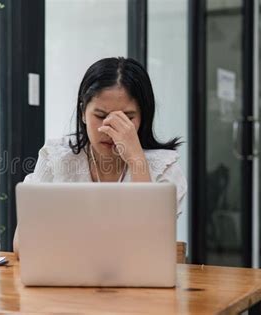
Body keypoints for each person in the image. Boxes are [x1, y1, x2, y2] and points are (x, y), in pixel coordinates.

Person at [13, 57, 187, 257]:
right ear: (82, 113)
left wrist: (136, 160)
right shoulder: (57, 158)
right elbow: (22, 243)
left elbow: (149, 247)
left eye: (126, 118)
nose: (109, 129)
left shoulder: (166, 169)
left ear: (143, 118)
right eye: (101, 116)